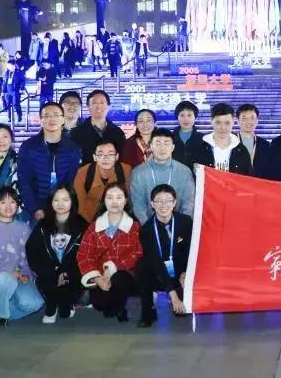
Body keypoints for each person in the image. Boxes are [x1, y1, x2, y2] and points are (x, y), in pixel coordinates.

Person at [0, 187, 44, 325]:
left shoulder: (24, 228)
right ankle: (1, 315)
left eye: (12, 202)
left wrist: (26, 275)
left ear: (17, 205)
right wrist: (11, 271)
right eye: (3, 202)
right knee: (5, 279)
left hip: (18, 278)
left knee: (35, 304)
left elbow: (29, 259)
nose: (8, 206)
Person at [78, 183, 143, 322]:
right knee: (100, 304)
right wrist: (96, 278)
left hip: (125, 273)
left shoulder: (135, 226)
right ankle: (110, 302)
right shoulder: (94, 226)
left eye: (119, 197)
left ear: (125, 201)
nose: (114, 202)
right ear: (104, 200)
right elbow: (84, 255)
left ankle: (120, 307)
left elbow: (138, 253)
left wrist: (113, 268)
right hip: (100, 274)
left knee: (120, 280)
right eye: (110, 197)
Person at [26, 185, 87, 324]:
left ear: (72, 201)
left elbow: (85, 254)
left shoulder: (82, 225)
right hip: (49, 272)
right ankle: (51, 305)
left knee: (65, 313)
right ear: (51, 202)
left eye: (65, 200)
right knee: (48, 277)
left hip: (72, 272)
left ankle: (67, 302)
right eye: (56, 200)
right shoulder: (42, 225)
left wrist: (65, 271)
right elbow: (32, 250)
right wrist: (53, 270)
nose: (60, 204)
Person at [137, 183, 193, 327]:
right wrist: (174, 297)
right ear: (152, 204)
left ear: (174, 203)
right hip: (159, 274)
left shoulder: (186, 222)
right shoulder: (146, 230)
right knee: (143, 265)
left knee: (182, 312)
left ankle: (185, 294)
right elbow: (155, 262)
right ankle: (147, 311)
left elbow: (190, 251)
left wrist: (187, 273)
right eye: (159, 201)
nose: (164, 205)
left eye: (168, 201)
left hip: (180, 273)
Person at [17, 102, 83, 221]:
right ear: (41, 120)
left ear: (63, 119)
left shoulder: (73, 148)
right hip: (36, 210)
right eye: (47, 116)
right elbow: (24, 182)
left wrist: (66, 206)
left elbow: (72, 182)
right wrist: (35, 209)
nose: (52, 119)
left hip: (65, 209)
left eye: (56, 115)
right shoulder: (28, 147)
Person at [130, 128, 195, 220]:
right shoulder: (138, 173)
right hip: (148, 225)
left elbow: (188, 205)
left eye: (166, 143)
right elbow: (138, 206)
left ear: (173, 147)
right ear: (151, 146)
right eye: (158, 143)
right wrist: (149, 227)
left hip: (178, 225)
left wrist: (181, 225)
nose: (162, 148)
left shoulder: (185, 172)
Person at [74, 140, 133, 222]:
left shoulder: (126, 171)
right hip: (89, 219)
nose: (106, 158)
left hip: (119, 217)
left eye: (110, 154)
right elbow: (79, 205)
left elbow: (130, 201)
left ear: (117, 157)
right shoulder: (83, 173)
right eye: (100, 154)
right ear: (94, 157)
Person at [72, 90, 126, 162]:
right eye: (94, 103)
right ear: (88, 107)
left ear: (108, 106)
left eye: (102, 103)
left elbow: (121, 159)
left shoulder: (118, 133)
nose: (98, 106)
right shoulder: (76, 133)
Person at [201, 103, 253, 174]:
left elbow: (247, 177)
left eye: (227, 123)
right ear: (211, 121)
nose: (223, 127)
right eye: (218, 123)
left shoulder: (241, 150)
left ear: (233, 122)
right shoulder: (199, 147)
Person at [171, 100, 209, 169]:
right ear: (177, 117)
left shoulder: (204, 139)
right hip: (174, 174)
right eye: (182, 115)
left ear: (195, 117)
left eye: (189, 115)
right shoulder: (169, 137)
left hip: (195, 175)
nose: (186, 119)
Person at [236, 103, 270, 174]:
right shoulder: (230, 141)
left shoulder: (265, 145)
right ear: (237, 120)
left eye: (252, 118)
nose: (249, 121)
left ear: (257, 120)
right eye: (244, 118)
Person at [2, 59, 23, 124]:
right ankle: (10, 117)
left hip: (15, 91)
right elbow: (4, 82)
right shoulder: (7, 72)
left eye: (10, 66)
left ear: (14, 65)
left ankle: (19, 115)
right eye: (8, 66)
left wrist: (21, 88)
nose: (9, 67)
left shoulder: (19, 72)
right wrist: (3, 91)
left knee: (15, 104)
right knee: (8, 104)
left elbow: (23, 81)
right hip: (8, 91)